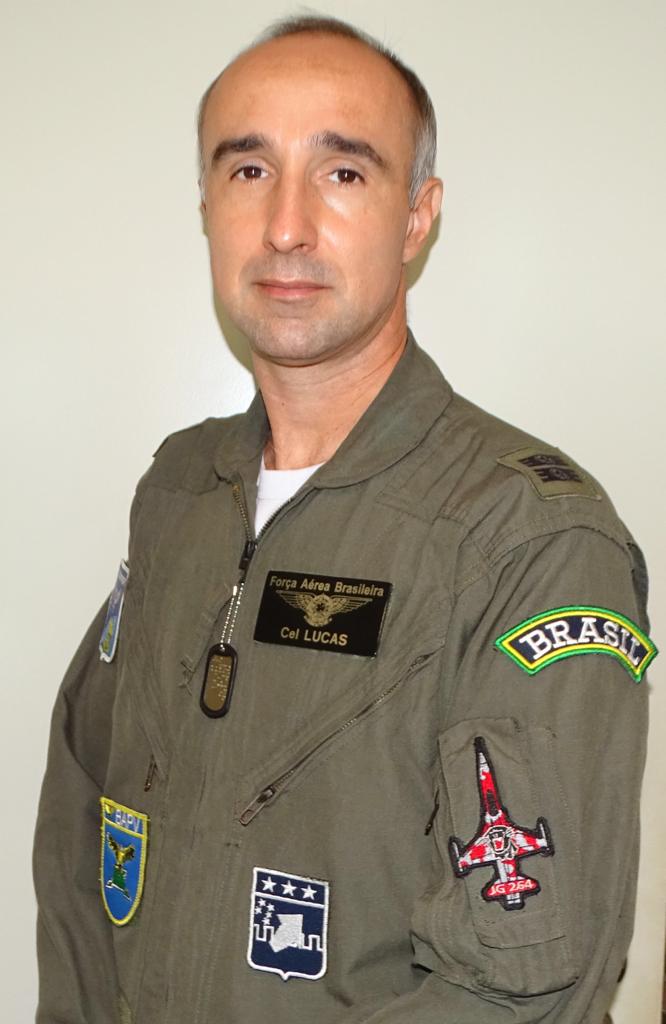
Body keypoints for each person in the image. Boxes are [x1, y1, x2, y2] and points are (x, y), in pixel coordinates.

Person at [33, 15, 655, 1024]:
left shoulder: (529, 540)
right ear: (207, 205)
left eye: (344, 173)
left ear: (417, 216)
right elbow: (85, 818)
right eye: (248, 171)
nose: (286, 225)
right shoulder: (180, 490)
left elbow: (523, 989)